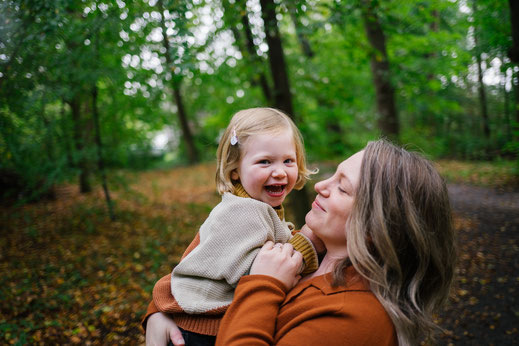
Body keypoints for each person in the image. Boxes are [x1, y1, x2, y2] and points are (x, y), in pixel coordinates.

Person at [145, 139, 457, 346]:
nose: (320, 185)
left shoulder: (354, 319)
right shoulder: (311, 252)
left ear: (376, 228)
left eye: (342, 189)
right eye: (332, 176)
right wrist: (159, 310)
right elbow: (205, 260)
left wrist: (263, 284)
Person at [144, 107, 321, 345]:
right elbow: (258, 270)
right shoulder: (243, 212)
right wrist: (306, 247)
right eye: (265, 162)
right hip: (202, 330)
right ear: (235, 171)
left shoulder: (255, 205)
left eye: (288, 160)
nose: (279, 172)